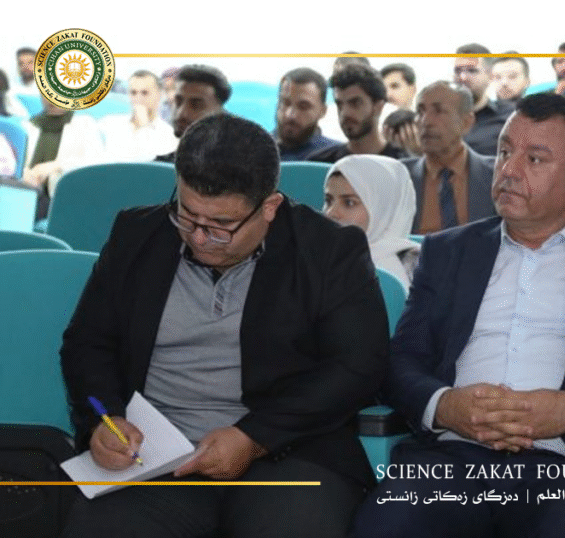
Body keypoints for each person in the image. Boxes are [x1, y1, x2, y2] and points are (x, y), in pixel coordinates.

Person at [350, 92, 565, 538]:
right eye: (505, 151)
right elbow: (402, 361)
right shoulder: (447, 252)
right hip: (453, 460)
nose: (509, 169)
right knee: (387, 523)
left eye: (535, 159)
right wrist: (445, 405)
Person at [59, 113, 389, 537]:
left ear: (269, 207)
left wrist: (253, 437)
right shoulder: (137, 234)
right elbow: (86, 345)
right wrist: (103, 419)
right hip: (154, 457)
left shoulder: (329, 250)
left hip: (288, 451)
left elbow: (358, 365)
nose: (199, 237)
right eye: (187, 214)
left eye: (221, 226)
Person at [402, 81, 496, 234]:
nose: (425, 121)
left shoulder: (498, 175)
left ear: (466, 122)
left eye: (438, 111)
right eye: (420, 112)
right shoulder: (399, 176)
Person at [323, 154, 420, 289]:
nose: (330, 213)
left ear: (384, 210)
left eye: (349, 203)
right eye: (328, 201)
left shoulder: (417, 269)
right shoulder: (317, 257)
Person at [308, 63, 406, 163]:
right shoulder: (320, 164)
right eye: (340, 104)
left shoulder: (403, 164)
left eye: (355, 103)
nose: (345, 113)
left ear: (378, 106)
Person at [155, 64, 231, 163]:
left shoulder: (242, 162)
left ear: (221, 113)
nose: (181, 114)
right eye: (178, 102)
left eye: (196, 105)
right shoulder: (161, 164)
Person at [99, 70, 178, 162]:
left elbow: (149, 164)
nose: (138, 99)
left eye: (145, 93)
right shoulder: (109, 122)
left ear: (159, 95)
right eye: (133, 93)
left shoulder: (168, 134)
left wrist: (144, 126)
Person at [453, 43, 514, 157]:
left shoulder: (510, 116)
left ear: (490, 76)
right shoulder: (440, 117)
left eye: (472, 71)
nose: (462, 77)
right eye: (457, 71)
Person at [275, 67, 338, 161]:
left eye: (303, 107)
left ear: (322, 111)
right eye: (285, 103)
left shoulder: (335, 157)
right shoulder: (256, 150)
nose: (290, 115)